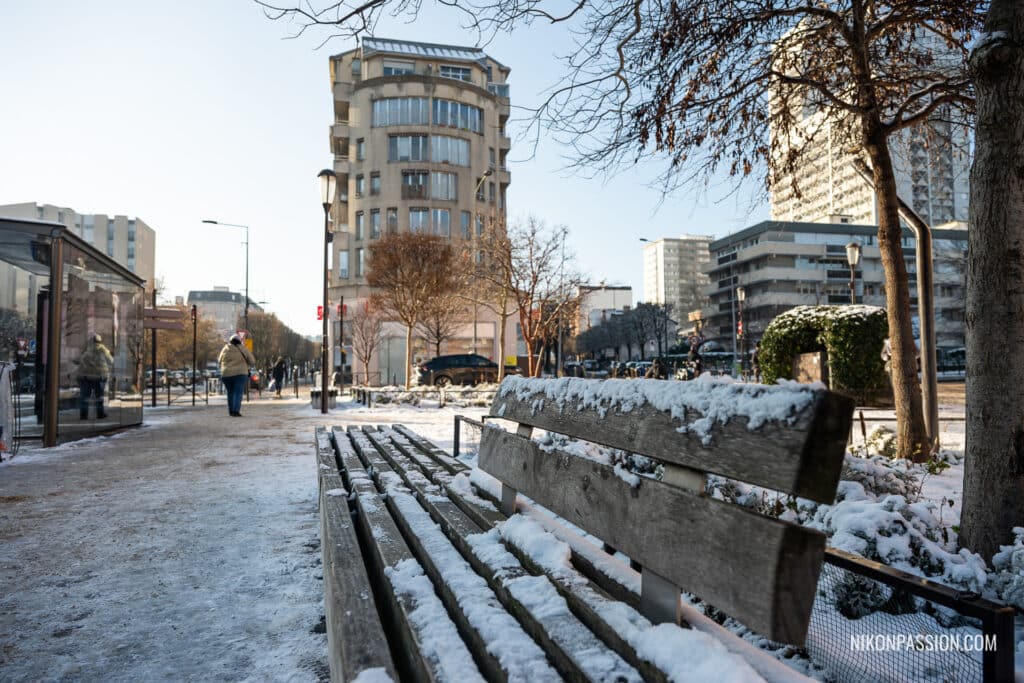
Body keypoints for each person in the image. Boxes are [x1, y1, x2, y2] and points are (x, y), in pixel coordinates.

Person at [77, 334, 114, 420]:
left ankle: (83, 415)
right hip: (99, 376)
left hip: (85, 376)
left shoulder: (86, 349)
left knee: (84, 396)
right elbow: (111, 361)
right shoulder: (103, 349)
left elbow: (77, 360)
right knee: (99, 396)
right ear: (100, 341)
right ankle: (100, 414)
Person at [218, 334, 256, 417]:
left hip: (226, 374)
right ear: (239, 341)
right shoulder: (243, 348)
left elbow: (219, 360)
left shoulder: (225, 349)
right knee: (238, 392)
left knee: (230, 392)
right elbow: (252, 361)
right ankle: (236, 411)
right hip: (240, 373)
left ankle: (231, 411)